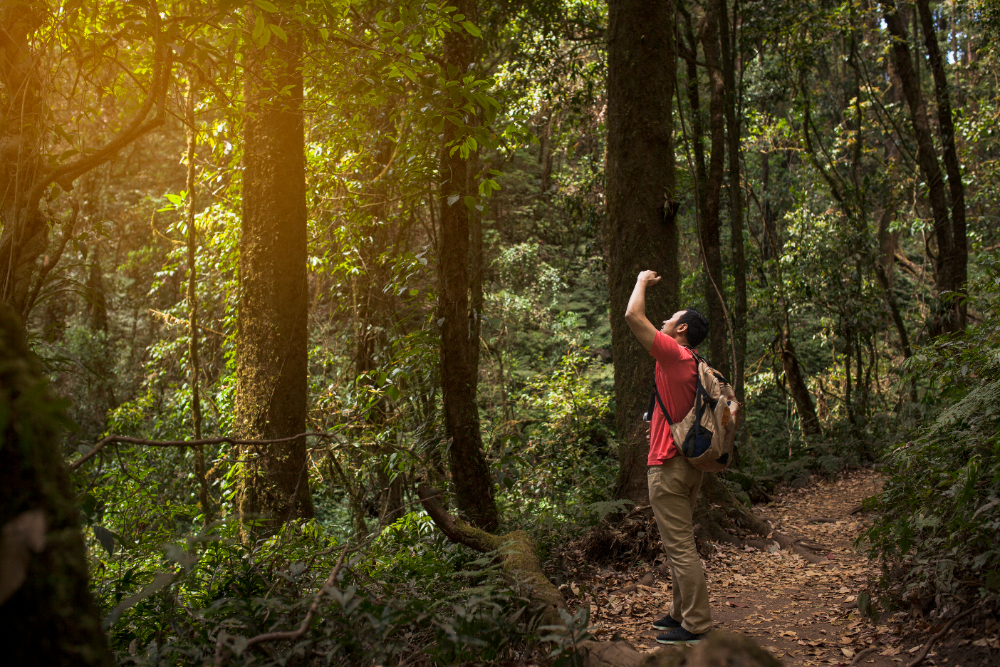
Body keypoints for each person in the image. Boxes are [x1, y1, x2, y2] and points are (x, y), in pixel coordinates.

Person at [623, 269, 732, 645]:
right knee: (677, 542)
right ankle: (679, 612)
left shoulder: (675, 356)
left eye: (670, 319)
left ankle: (697, 623)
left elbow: (633, 316)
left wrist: (640, 281)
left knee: (680, 546)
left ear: (682, 328)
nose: (664, 321)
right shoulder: (693, 362)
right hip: (687, 467)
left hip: (668, 466)